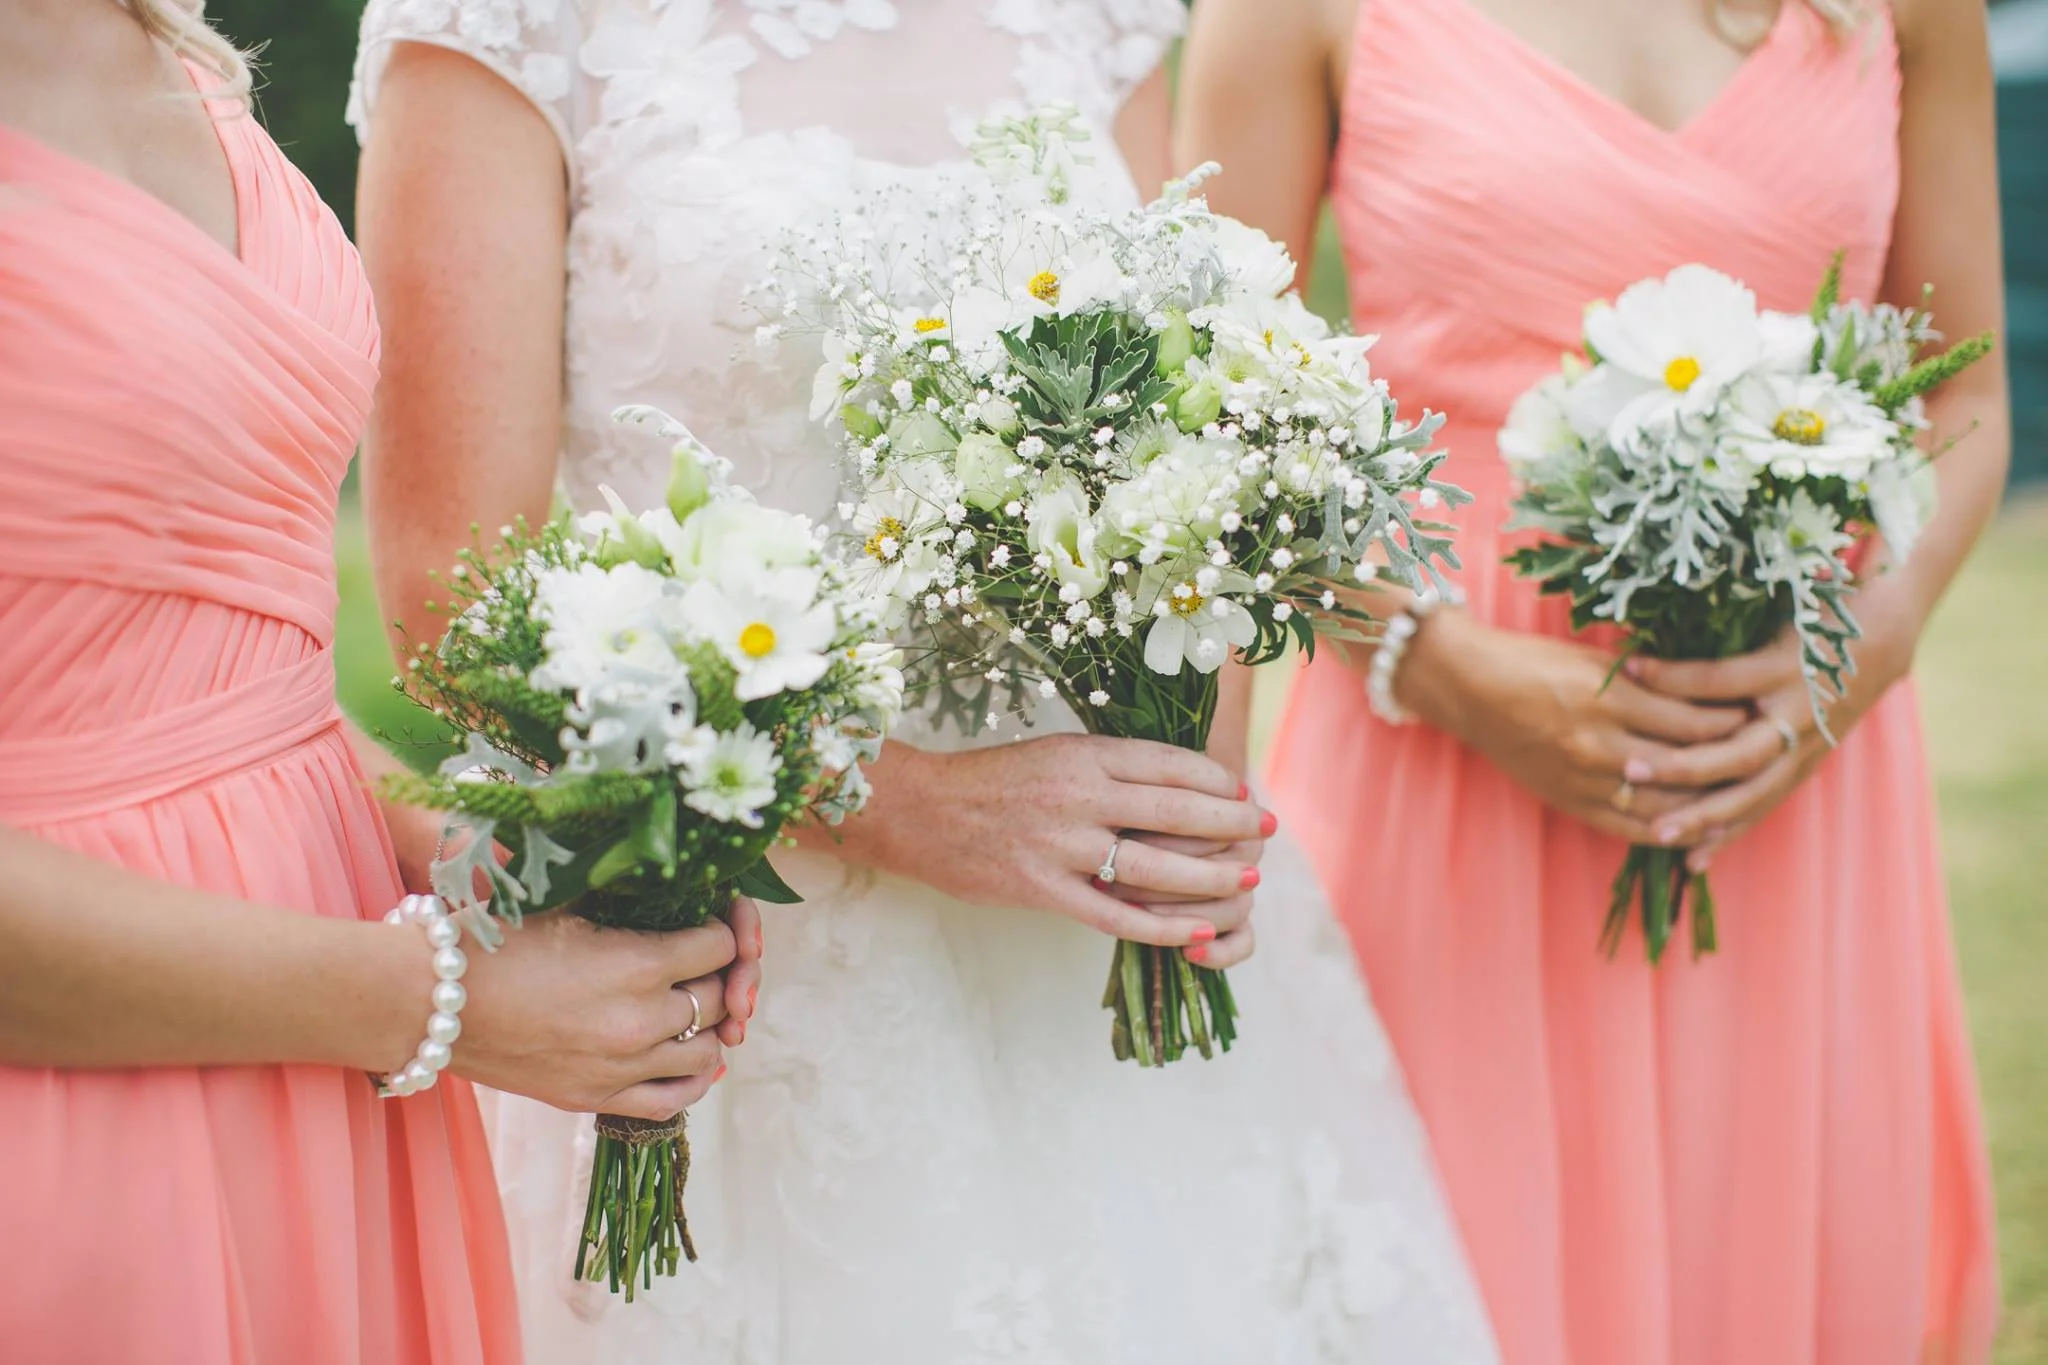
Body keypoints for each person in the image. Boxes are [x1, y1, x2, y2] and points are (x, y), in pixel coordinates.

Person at [346, 1, 1501, 1360]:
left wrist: (1189, 789)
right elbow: (455, 600)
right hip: (744, 959)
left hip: (1100, 934)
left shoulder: (1106, 19)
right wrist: (898, 805)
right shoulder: (500, 25)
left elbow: (1192, 401)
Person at [1180, 0, 2005, 1360]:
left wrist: (1865, 643)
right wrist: (1433, 658)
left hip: (1786, 748)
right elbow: (1212, 402)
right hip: (1434, 751)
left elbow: (1961, 385)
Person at [0, 3, 754, 1360]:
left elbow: (207, 667)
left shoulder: (153, 46)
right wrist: (433, 1000)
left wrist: (473, 847)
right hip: (80, 1102)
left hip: (324, 1098)